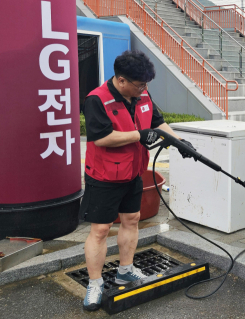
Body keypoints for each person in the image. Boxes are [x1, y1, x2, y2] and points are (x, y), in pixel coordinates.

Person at [79, 50, 194, 311]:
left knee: (131, 220)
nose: (144, 89)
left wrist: (179, 142)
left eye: (146, 85)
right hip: (104, 176)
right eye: (139, 84)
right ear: (121, 81)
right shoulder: (97, 100)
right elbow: (101, 138)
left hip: (133, 172)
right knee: (101, 229)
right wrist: (138, 136)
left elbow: (157, 121)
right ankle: (95, 283)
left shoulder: (142, 94)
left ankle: (126, 270)